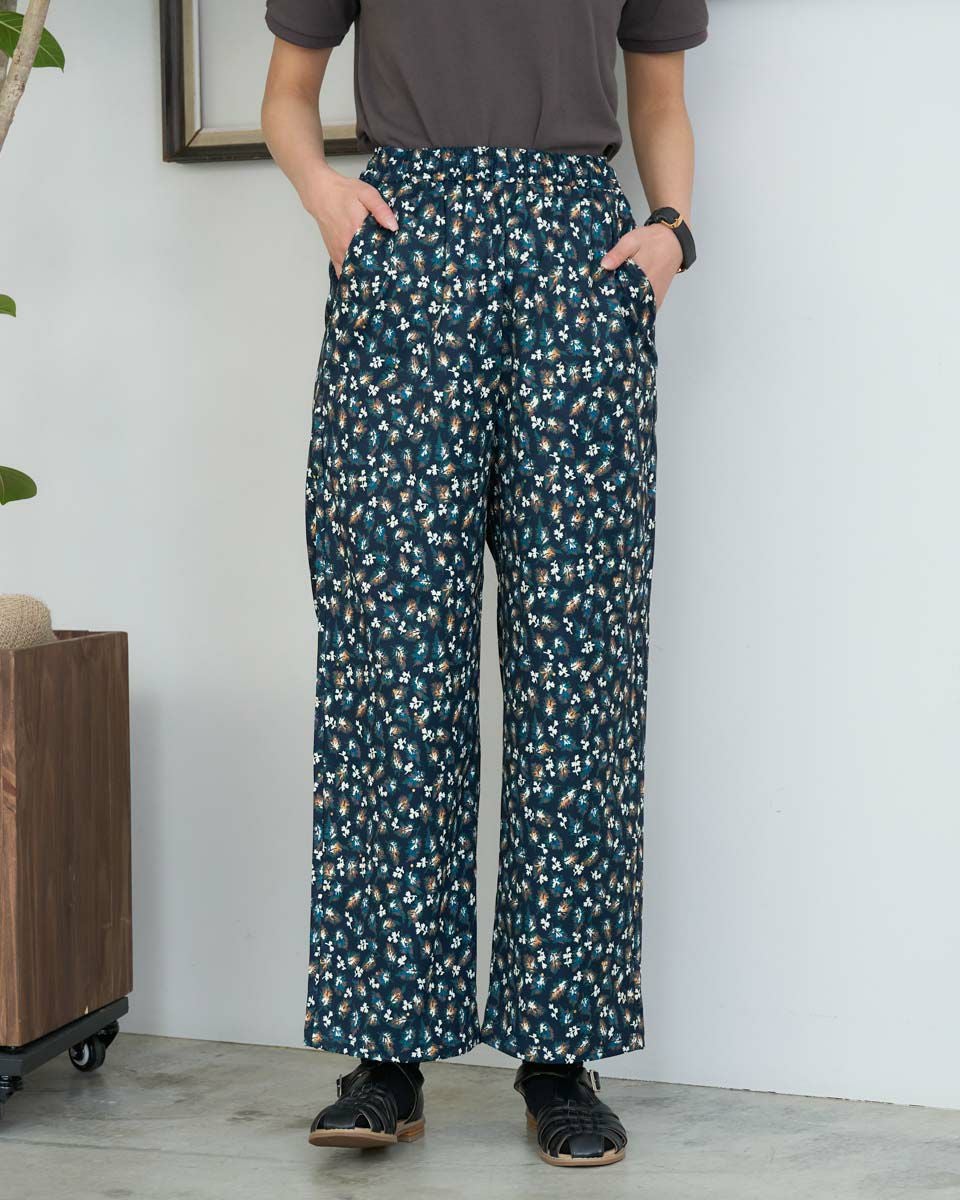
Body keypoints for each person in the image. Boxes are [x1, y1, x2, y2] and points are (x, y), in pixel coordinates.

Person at [261, 0, 706, 1169]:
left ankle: (561, 1059)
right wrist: (325, 196)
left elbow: (660, 98)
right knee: (394, 669)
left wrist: (670, 229)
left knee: (578, 672)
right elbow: (287, 95)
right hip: (408, 253)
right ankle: (385, 1055)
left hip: (578, 258)